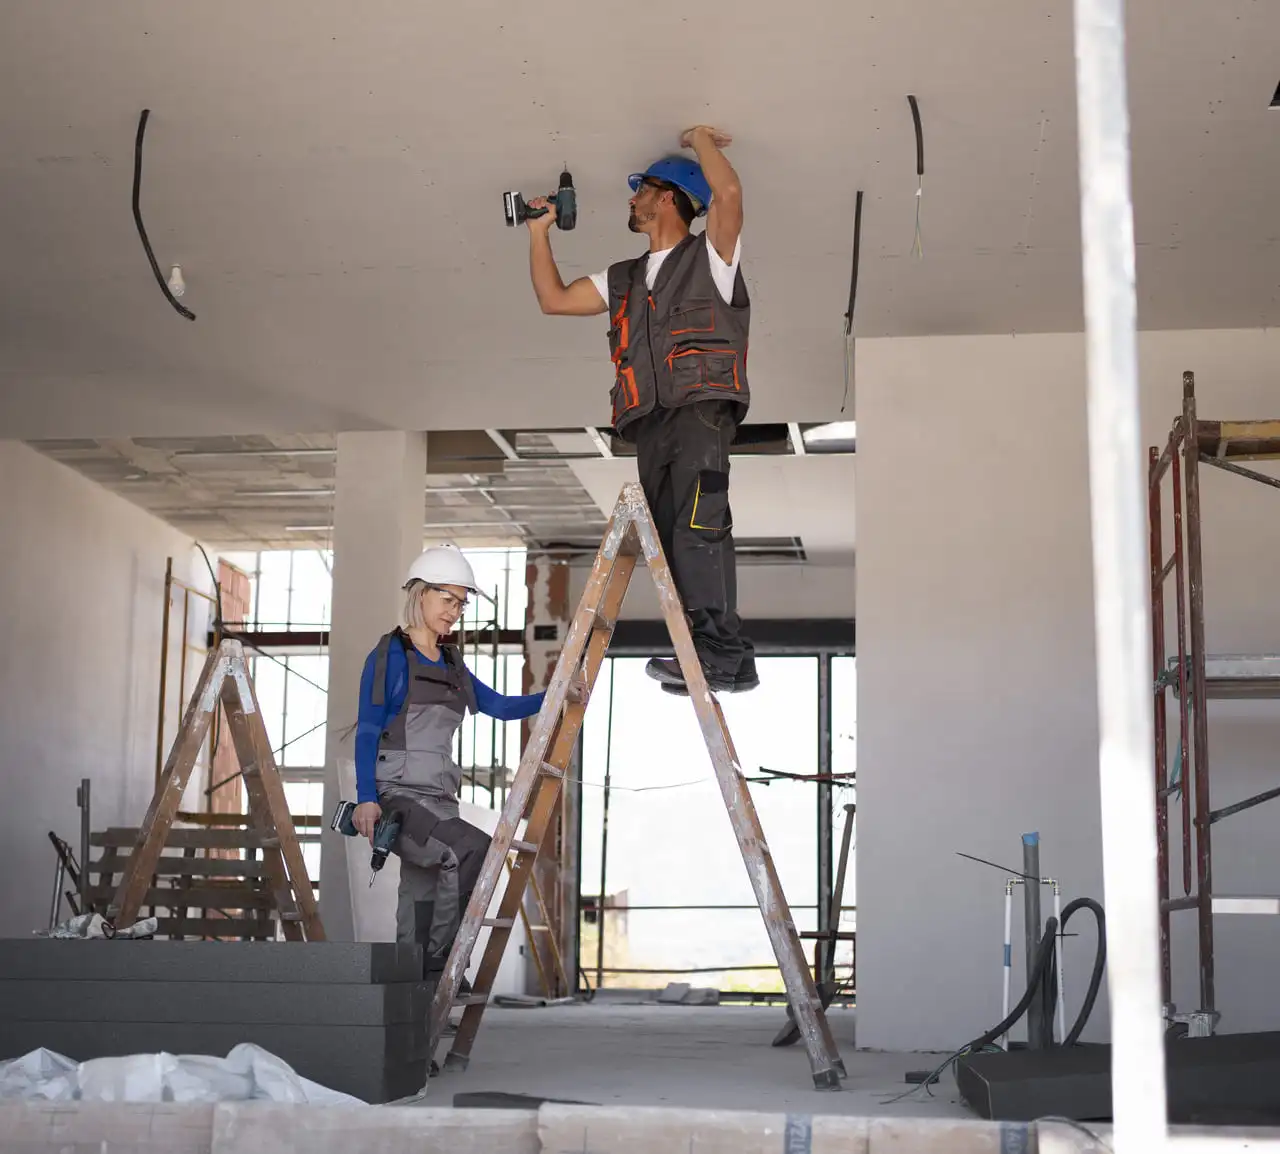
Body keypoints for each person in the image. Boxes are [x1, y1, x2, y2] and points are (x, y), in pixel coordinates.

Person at [524, 124, 757, 697]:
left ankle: (720, 653)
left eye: (642, 189)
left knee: (698, 529)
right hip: (649, 424)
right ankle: (719, 656)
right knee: (670, 544)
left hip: (701, 411)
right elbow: (554, 300)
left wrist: (701, 140)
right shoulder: (624, 278)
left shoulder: (712, 256)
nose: (632, 199)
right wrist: (538, 233)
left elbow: (727, 197)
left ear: (670, 198)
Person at [350, 544, 585, 980]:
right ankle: (445, 965)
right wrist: (367, 799)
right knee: (472, 849)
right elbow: (367, 729)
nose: (455, 611)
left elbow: (498, 705)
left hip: (440, 800)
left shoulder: (453, 663)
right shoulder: (389, 657)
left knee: (419, 900)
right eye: (448, 599)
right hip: (399, 797)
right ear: (421, 594)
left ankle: (414, 998)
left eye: (461, 603)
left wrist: (556, 696)